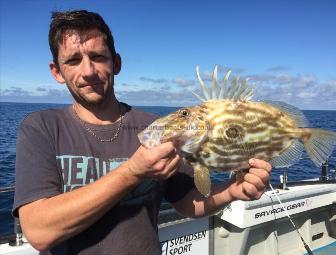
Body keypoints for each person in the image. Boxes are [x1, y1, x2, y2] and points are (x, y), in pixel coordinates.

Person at [13, 10, 272, 255]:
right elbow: (38, 231)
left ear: (116, 63)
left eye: (98, 57)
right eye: (73, 60)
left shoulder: (155, 128)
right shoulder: (42, 127)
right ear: (57, 71)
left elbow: (186, 202)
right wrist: (132, 172)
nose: (88, 71)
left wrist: (231, 191)